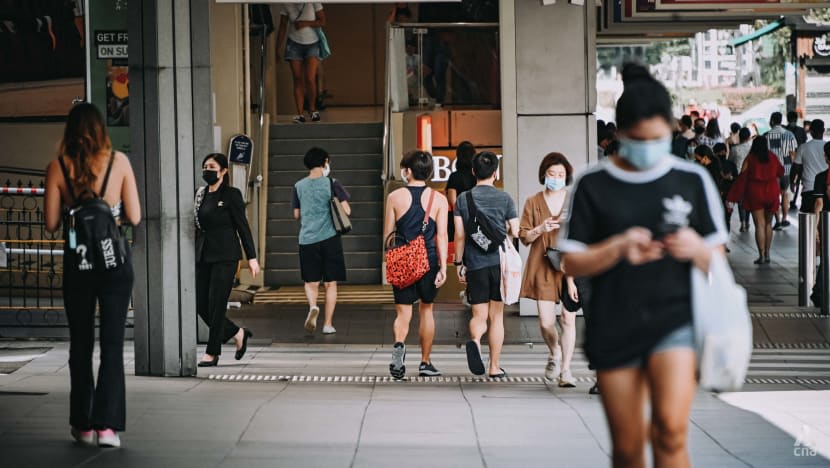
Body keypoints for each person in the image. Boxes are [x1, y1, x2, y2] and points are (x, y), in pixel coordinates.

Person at [559, 63, 728, 468]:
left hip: (677, 320)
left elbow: (717, 259)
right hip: (614, 322)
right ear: (619, 134)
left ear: (670, 130)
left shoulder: (692, 180)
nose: (649, 147)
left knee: (670, 432)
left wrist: (695, 249)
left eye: (658, 138)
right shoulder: (592, 183)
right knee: (629, 447)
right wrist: (616, 248)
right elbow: (570, 259)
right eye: (639, 139)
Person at [44, 103, 142, 448]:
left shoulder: (57, 167)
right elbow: (136, 215)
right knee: (113, 345)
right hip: (114, 264)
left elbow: (52, 223)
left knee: (81, 344)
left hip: (79, 263)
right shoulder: (120, 163)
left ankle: (82, 425)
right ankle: (107, 428)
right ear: (102, 129)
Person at [384, 151, 449, 379]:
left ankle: (400, 345)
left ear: (408, 171)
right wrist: (442, 266)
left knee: (403, 312)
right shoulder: (439, 199)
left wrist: (390, 262)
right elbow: (441, 236)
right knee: (426, 309)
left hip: (402, 260)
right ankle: (425, 362)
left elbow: (389, 235)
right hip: (428, 261)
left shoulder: (395, 197)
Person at [454, 151, 519, 378]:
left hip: (476, 264)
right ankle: (494, 367)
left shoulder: (463, 199)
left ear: (473, 172)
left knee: (478, 315)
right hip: (499, 263)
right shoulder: (505, 199)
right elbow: (516, 230)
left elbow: (460, 235)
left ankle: (474, 340)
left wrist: (458, 263)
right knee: (497, 317)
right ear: (496, 173)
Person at [194, 153, 260, 367]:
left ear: (223, 171)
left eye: (212, 166)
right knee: (200, 303)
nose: (207, 170)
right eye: (205, 166)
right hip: (204, 255)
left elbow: (243, 226)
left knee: (216, 304)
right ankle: (237, 333)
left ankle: (212, 353)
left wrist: (252, 257)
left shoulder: (232, 195)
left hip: (226, 256)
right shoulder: (201, 194)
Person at [518, 152, 578, 387]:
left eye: (561, 174)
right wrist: (540, 228)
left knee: (568, 318)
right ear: (544, 175)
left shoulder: (573, 200)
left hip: (570, 265)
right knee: (545, 322)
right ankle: (555, 352)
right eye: (552, 174)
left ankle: (566, 371)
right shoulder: (533, 201)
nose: (556, 178)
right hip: (542, 263)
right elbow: (523, 236)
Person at [292, 147, 350, 334]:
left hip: (307, 239)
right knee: (330, 283)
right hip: (330, 238)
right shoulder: (332, 183)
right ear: (325, 161)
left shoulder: (298, 186)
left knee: (311, 282)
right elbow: (347, 211)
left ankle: (312, 307)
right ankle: (328, 324)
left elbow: (296, 214)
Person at [729, 137, 783, 264]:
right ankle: (768, 254)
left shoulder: (750, 158)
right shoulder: (772, 156)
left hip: (755, 192)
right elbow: (781, 171)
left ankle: (762, 255)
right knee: (769, 224)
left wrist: (734, 195)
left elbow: (742, 175)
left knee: (759, 225)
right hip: (771, 191)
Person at [276, 2, 327, 124]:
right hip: (293, 44)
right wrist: (277, 48)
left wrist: (305, 23)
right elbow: (283, 26)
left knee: (310, 78)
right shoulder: (287, 4)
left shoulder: (313, 2)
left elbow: (322, 21)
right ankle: (299, 114)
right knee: (297, 78)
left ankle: (313, 109)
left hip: (312, 43)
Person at [764, 112, 798, 230]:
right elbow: (793, 154)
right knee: (784, 195)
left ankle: (777, 220)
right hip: (787, 170)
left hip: (772, 171)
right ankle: (784, 218)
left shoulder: (766, 136)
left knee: (774, 196)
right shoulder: (789, 135)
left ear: (772, 121)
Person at [794, 119, 827, 214]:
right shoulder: (827, 146)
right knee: (825, 220)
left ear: (811, 131)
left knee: (809, 220)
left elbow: (796, 167)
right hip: (825, 189)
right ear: (823, 130)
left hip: (808, 188)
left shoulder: (803, 147)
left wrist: (793, 182)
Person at [446, 141, 477, 240]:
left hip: (457, 220)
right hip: (476, 219)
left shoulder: (454, 177)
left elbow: (453, 201)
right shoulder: (478, 176)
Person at [729, 128, 753, 232]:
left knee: (741, 201)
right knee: (748, 200)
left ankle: (742, 223)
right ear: (749, 137)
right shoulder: (752, 149)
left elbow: (730, 161)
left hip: (738, 177)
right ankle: (747, 221)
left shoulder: (734, 149)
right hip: (750, 177)